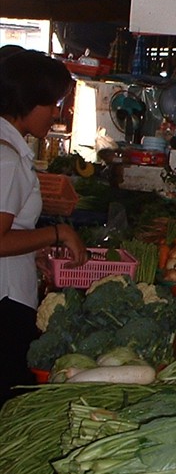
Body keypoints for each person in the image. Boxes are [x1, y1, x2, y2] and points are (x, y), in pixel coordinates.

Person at [0, 46, 87, 404]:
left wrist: (33, 248)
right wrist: (58, 233)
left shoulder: (10, 149)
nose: (56, 112)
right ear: (26, 101)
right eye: (51, 103)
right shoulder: (6, 158)